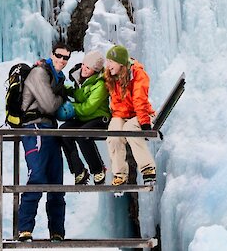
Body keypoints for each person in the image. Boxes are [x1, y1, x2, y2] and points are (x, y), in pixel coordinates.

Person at [16, 43, 70, 243]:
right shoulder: (39, 73)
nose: (62, 60)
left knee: (56, 182)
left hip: (49, 130)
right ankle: (24, 229)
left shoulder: (57, 78)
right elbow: (49, 104)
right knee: (37, 176)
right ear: (51, 54)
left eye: (66, 58)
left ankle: (57, 232)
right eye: (59, 56)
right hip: (35, 128)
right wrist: (62, 98)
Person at [103, 44, 157, 186]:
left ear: (120, 62)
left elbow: (140, 100)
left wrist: (145, 123)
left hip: (141, 113)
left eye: (110, 61)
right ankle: (119, 174)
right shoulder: (110, 75)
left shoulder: (138, 74)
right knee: (113, 135)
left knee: (131, 129)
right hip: (121, 114)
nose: (107, 65)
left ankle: (147, 169)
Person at [59, 50, 110, 186]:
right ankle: (79, 170)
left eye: (88, 68)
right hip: (83, 118)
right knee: (63, 132)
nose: (84, 69)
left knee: (83, 136)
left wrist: (71, 107)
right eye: (83, 65)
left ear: (95, 70)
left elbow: (88, 107)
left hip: (99, 118)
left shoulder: (101, 85)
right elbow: (78, 94)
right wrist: (63, 89)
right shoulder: (80, 78)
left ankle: (98, 169)